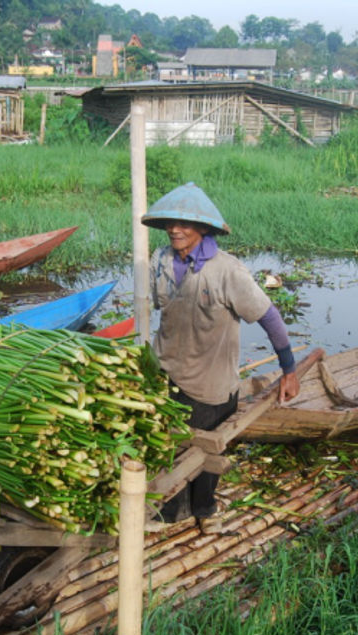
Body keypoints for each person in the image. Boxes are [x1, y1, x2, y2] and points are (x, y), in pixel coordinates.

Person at [142, 182, 300, 534]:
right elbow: (163, 311)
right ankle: (173, 512)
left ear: (204, 229)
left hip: (210, 383)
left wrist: (288, 370)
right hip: (166, 372)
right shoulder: (161, 261)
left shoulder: (228, 271)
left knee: (208, 452)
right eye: (170, 223)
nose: (174, 230)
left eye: (184, 224)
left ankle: (206, 510)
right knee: (169, 450)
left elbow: (269, 317)